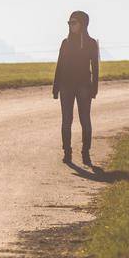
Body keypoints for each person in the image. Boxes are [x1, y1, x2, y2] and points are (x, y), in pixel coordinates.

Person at [52, 9, 100, 164]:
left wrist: (94, 87)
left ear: (83, 24)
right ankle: (67, 152)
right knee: (66, 120)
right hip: (66, 86)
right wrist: (55, 87)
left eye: (74, 22)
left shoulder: (91, 43)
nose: (71, 25)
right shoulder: (65, 43)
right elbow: (59, 65)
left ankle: (86, 153)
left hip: (84, 86)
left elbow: (95, 67)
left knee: (85, 119)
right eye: (69, 23)